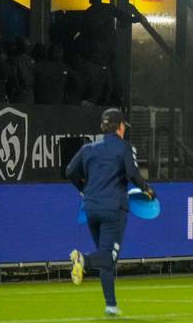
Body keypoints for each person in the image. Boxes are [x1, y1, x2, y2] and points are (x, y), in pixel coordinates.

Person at [65, 108, 155, 317]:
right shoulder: (125, 148)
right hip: (114, 209)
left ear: (103, 127)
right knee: (107, 256)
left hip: (91, 208)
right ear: (121, 126)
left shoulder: (88, 149)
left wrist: (82, 188)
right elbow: (132, 173)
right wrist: (147, 189)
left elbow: (70, 171)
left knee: (105, 256)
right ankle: (83, 260)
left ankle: (111, 305)